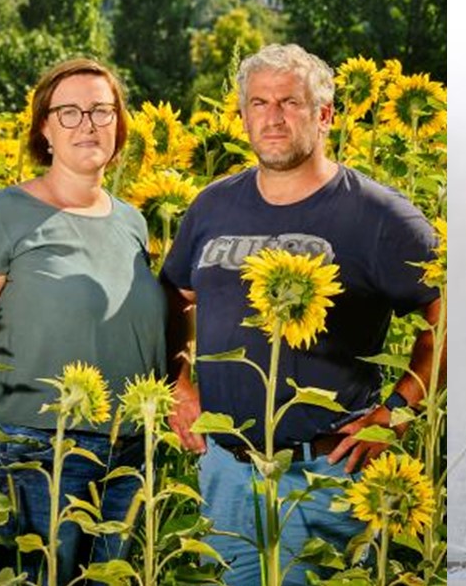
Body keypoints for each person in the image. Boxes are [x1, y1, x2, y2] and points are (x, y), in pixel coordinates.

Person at [165, 44, 441, 586]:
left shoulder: (378, 214)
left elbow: (446, 315)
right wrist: (178, 382)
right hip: (224, 470)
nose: (273, 117)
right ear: (243, 115)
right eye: (259, 103)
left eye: (290, 102)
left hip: (319, 478)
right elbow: (173, 298)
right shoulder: (212, 205)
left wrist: (399, 411)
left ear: (325, 114)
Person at [0, 58, 175, 577]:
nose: (88, 124)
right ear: (44, 128)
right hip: (32, 448)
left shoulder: (133, 221)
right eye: (69, 112)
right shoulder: (2, 215)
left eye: (101, 111)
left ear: (120, 126)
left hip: (127, 449)